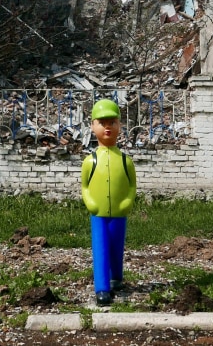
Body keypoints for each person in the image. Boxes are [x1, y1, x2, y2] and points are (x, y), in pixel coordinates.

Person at [81, 98, 137, 306]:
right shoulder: (90, 161)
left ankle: (116, 278)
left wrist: (128, 201)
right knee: (101, 247)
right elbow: (85, 186)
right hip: (98, 212)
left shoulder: (125, 160)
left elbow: (132, 185)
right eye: (102, 122)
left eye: (112, 122)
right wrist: (90, 202)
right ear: (93, 126)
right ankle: (102, 288)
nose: (107, 127)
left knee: (116, 245)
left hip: (120, 211)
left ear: (119, 125)